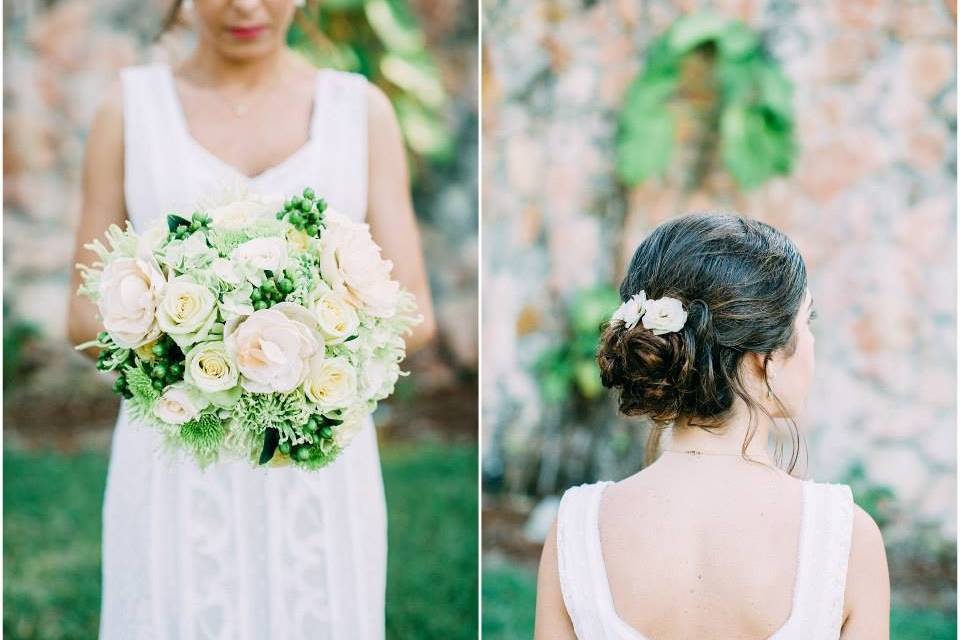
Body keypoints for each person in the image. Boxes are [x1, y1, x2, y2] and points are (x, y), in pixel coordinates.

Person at [66, 0, 436, 637]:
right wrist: (196, 359)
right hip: (176, 453)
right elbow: (81, 315)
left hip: (318, 453)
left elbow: (416, 313)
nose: (246, 7)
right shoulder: (126, 111)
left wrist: (307, 354)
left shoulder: (360, 112)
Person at [533, 214, 890, 639]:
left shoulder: (575, 531)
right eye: (806, 322)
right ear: (767, 361)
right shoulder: (847, 541)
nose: (811, 343)